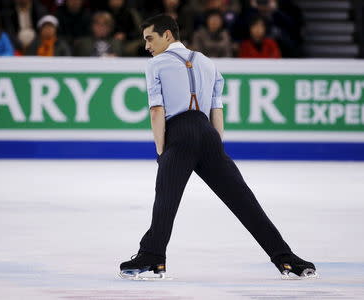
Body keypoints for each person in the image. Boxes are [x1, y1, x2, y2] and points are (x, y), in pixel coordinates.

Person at [119, 14, 317, 280]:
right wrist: (215, 150)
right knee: (244, 201)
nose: (146, 46)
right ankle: (286, 259)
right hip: (208, 134)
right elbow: (217, 111)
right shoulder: (208, 63)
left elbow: (157, 110)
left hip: (180, 133)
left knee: (166, 199)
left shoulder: (156, 64)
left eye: (149, 38)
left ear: (168, 35)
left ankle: (153, 257)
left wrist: (161, 151)